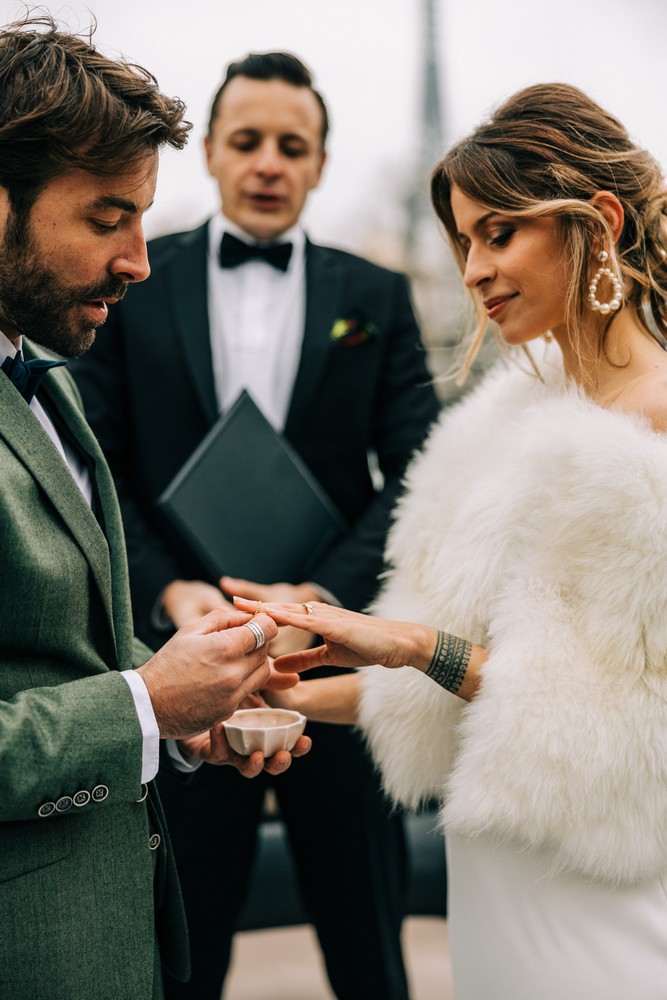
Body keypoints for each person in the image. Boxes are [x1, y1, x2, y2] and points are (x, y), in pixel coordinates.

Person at [237, 83, 667, 1000]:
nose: (472, 269)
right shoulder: (503, 423)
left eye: (498, 233)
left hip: (614, 887)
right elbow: (450, 696)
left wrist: (403, 643)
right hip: (497, 878)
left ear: (595, 220)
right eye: (463, 241)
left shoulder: (658, 423)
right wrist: (262, 699)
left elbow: (623, 720)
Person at [73, 49, 440, 1000]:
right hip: (182, 671)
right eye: (246, 141)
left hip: (331, 660)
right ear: (214, 157)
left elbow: (416, 472)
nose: (268, 162)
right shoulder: (133, 277)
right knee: (185, 954)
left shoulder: (374, 294)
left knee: (370, 947)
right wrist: (172, 590)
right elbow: (97, 461)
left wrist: (320, 600)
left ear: (319, 162)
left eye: (292, 145)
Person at [0, 17, 310, 1000]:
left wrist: (188, 703)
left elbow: (58, 651)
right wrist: (144, 703)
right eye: (105, 218)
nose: (139, 259)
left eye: (142, 217)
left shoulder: (46, 389)